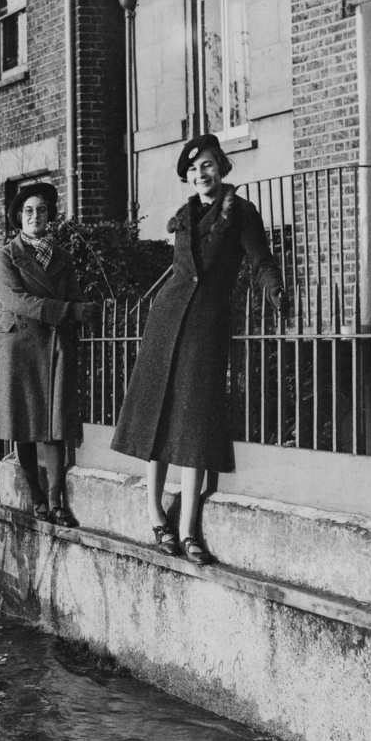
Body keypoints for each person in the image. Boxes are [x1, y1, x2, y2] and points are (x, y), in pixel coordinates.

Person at [111, 134, 288, 566]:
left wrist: (274, 289)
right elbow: (179, 271)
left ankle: (188, 529)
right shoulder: (184, 216)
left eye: (207, 165)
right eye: (193, 170)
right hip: (165, 320)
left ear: (221, 167)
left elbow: (261, 260)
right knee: (155, 416)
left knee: (192, 422)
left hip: (206, 326)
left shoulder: (241, 211)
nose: (200, 174)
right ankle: (156, 515)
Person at [0, 182, 96, 528]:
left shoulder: (61, 256)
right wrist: (66, 311)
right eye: (29, 211)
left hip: (54, 343)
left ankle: (56, 501)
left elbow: (74, 296)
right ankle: (36, 498)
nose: (35, 216)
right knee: (24, 425)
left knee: (54, 425)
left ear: (50, 216)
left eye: (42, 210)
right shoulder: (7, 255)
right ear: (19, 216)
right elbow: (16, 300)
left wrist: (82, 309)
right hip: (19, 346)